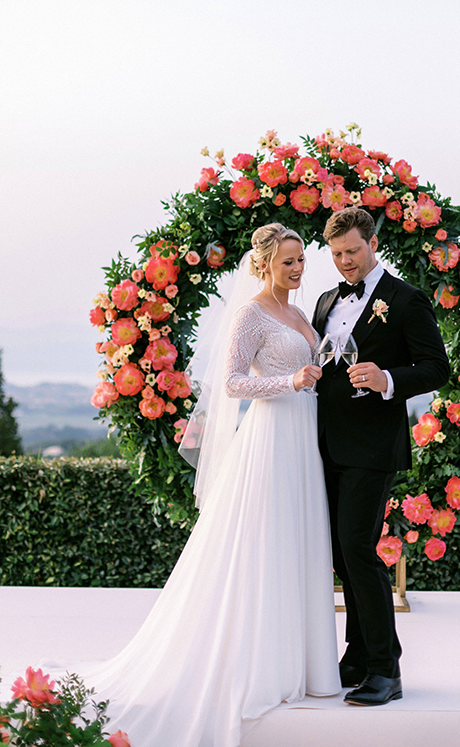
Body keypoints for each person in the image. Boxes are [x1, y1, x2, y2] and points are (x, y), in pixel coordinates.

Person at [86, 223, 341, 747]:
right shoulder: (251, 313)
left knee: (301, 541)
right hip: (271, 438)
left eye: (301, 262)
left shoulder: (299, 313)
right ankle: (264, 666)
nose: (297, 270)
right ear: (265, 263)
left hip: (306, 437)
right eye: (288, 261)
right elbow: (232, 382)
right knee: (267, 544)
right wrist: (289, 381)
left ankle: (308, 664)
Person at [312, 207, 450, 707]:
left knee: (358, 549)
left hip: (372, 448)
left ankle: (384, 671)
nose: (345, 261)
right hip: (323, 443)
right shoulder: (327, 299)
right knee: (338, 556)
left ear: (372, 242)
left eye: (352, 251)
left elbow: (437, 368)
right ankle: (357, 654)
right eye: (336, 254)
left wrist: (388, 379)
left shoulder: (406, 299)